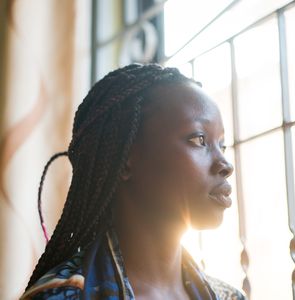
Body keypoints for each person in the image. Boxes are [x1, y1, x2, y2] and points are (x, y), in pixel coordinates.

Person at [22, 63, 246, 299]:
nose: (226, 165)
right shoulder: (59, 296)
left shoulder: (230, 297)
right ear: (126, 158)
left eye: (222, 145)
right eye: (199, 139)